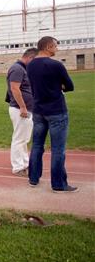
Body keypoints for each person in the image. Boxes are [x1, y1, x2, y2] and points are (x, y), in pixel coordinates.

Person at [27, 36, 76, 193]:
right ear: (48, 46)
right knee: (58, 149)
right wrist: (59, 86)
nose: (57, 49)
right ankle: (58, 185)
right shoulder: (56, 65)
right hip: (56, 111)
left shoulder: (31, 65)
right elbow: (70, 86)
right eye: (55, 46)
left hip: (38, 111)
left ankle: (33, 179)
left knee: (36, 145)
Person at [5, 48, 38, 176]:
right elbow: (14, 88)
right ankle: (18, 167)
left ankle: (24, 163)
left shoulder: (23, 68)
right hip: (20, 109)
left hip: (25, 109)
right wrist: (23, 107)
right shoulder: (17, 69)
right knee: (19, 138)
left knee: (24, 138)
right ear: (30, 57)